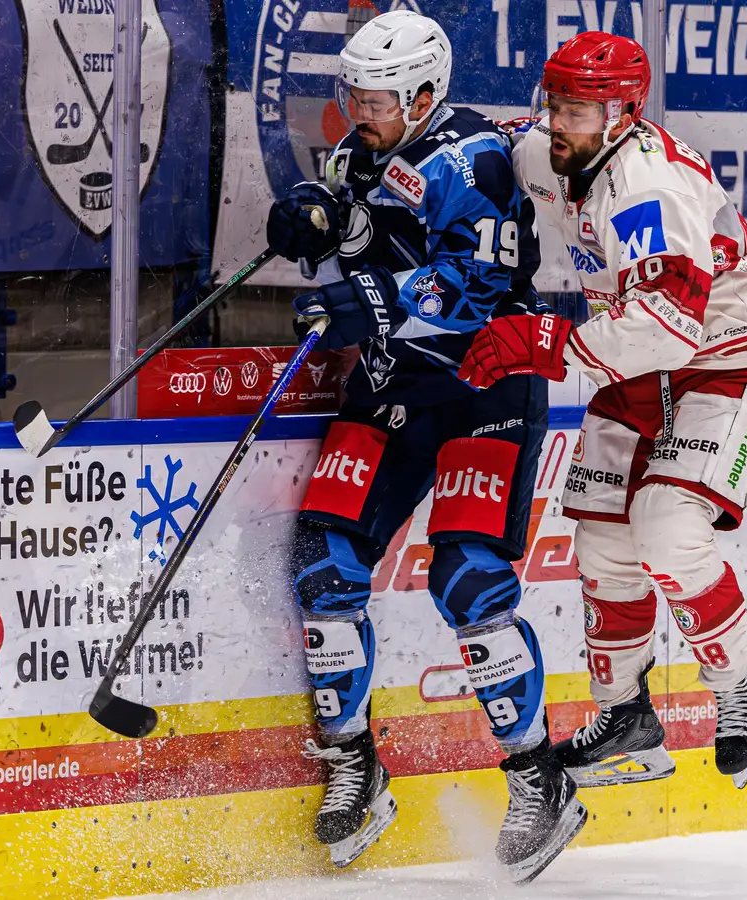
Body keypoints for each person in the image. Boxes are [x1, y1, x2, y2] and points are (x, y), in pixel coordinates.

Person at [265, 10, 583, 883]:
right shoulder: (363, 147)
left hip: (485, 380)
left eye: (372, 98)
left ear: (425, 94)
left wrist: (362, 300)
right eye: (350, 94)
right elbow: (363, 230)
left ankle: (537, 778)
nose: (355, 111)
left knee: (469, 577)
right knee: (325, 563)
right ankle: (354, 766)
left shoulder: (471, 155)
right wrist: (316, 218)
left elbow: (474, 284)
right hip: (393, 382)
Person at [459, 32, 747, 792]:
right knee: (603, 547)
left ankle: (740, 684)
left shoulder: (649, 188)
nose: (562, 122)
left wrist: (547, 343)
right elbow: (485, 141)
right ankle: (627, 718)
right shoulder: (557, 148)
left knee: (668, 532)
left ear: (625, 114)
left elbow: (672, 322)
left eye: (584, 109)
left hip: (724, 356)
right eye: (558, 105)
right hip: (633, 359)